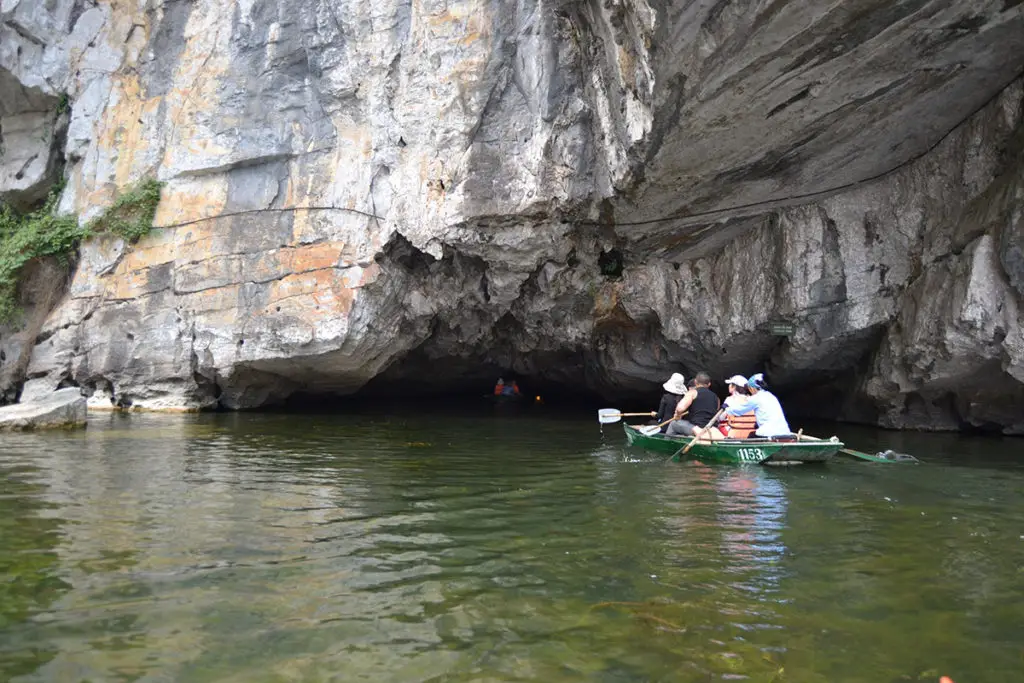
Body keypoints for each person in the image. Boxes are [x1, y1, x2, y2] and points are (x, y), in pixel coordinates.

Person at [723, 373, 792, 437]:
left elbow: (739, 410)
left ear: (752, 388)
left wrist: (726, 409)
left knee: (751, 436)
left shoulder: (755, 398)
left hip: (769, 432)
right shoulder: (771, 396)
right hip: (785, 430)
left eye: (749, 389)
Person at [666, 371, 721, 437]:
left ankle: (667, 444)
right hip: (711, 429)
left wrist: (678, 415)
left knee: (673, 424)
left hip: (696, 428)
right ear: (709, 384)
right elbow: (716, 412)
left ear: (695, 382)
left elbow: (680, 408)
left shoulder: (692, 393)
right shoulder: (716, 398)